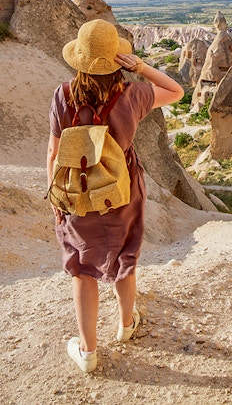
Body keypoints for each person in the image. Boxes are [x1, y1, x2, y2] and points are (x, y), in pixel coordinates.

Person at [46, 19, 184, 373]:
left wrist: (56, 200)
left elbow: (53, 152)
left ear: (78, 59)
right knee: (124, 256)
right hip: (121, 192)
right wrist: (139, 66)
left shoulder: (63, 95)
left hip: (77, 194)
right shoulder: (134, 94)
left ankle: (88, 352)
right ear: (116, 59)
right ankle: (126, 325)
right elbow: (176, 91)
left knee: (82, 269)